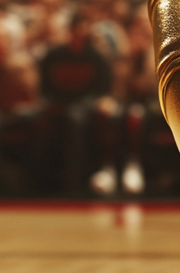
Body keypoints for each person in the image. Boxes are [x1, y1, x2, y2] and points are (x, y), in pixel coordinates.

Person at [39, 15, 121, 195]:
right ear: (70, 32)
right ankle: (37, 181)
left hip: (85, 107)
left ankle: (73, 180)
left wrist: (87, 104)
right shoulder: (54, 55)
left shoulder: (97, 57)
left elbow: (102, 91)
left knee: (75, 118)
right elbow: (44, 88)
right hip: (56, 104)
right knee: (33, 119)